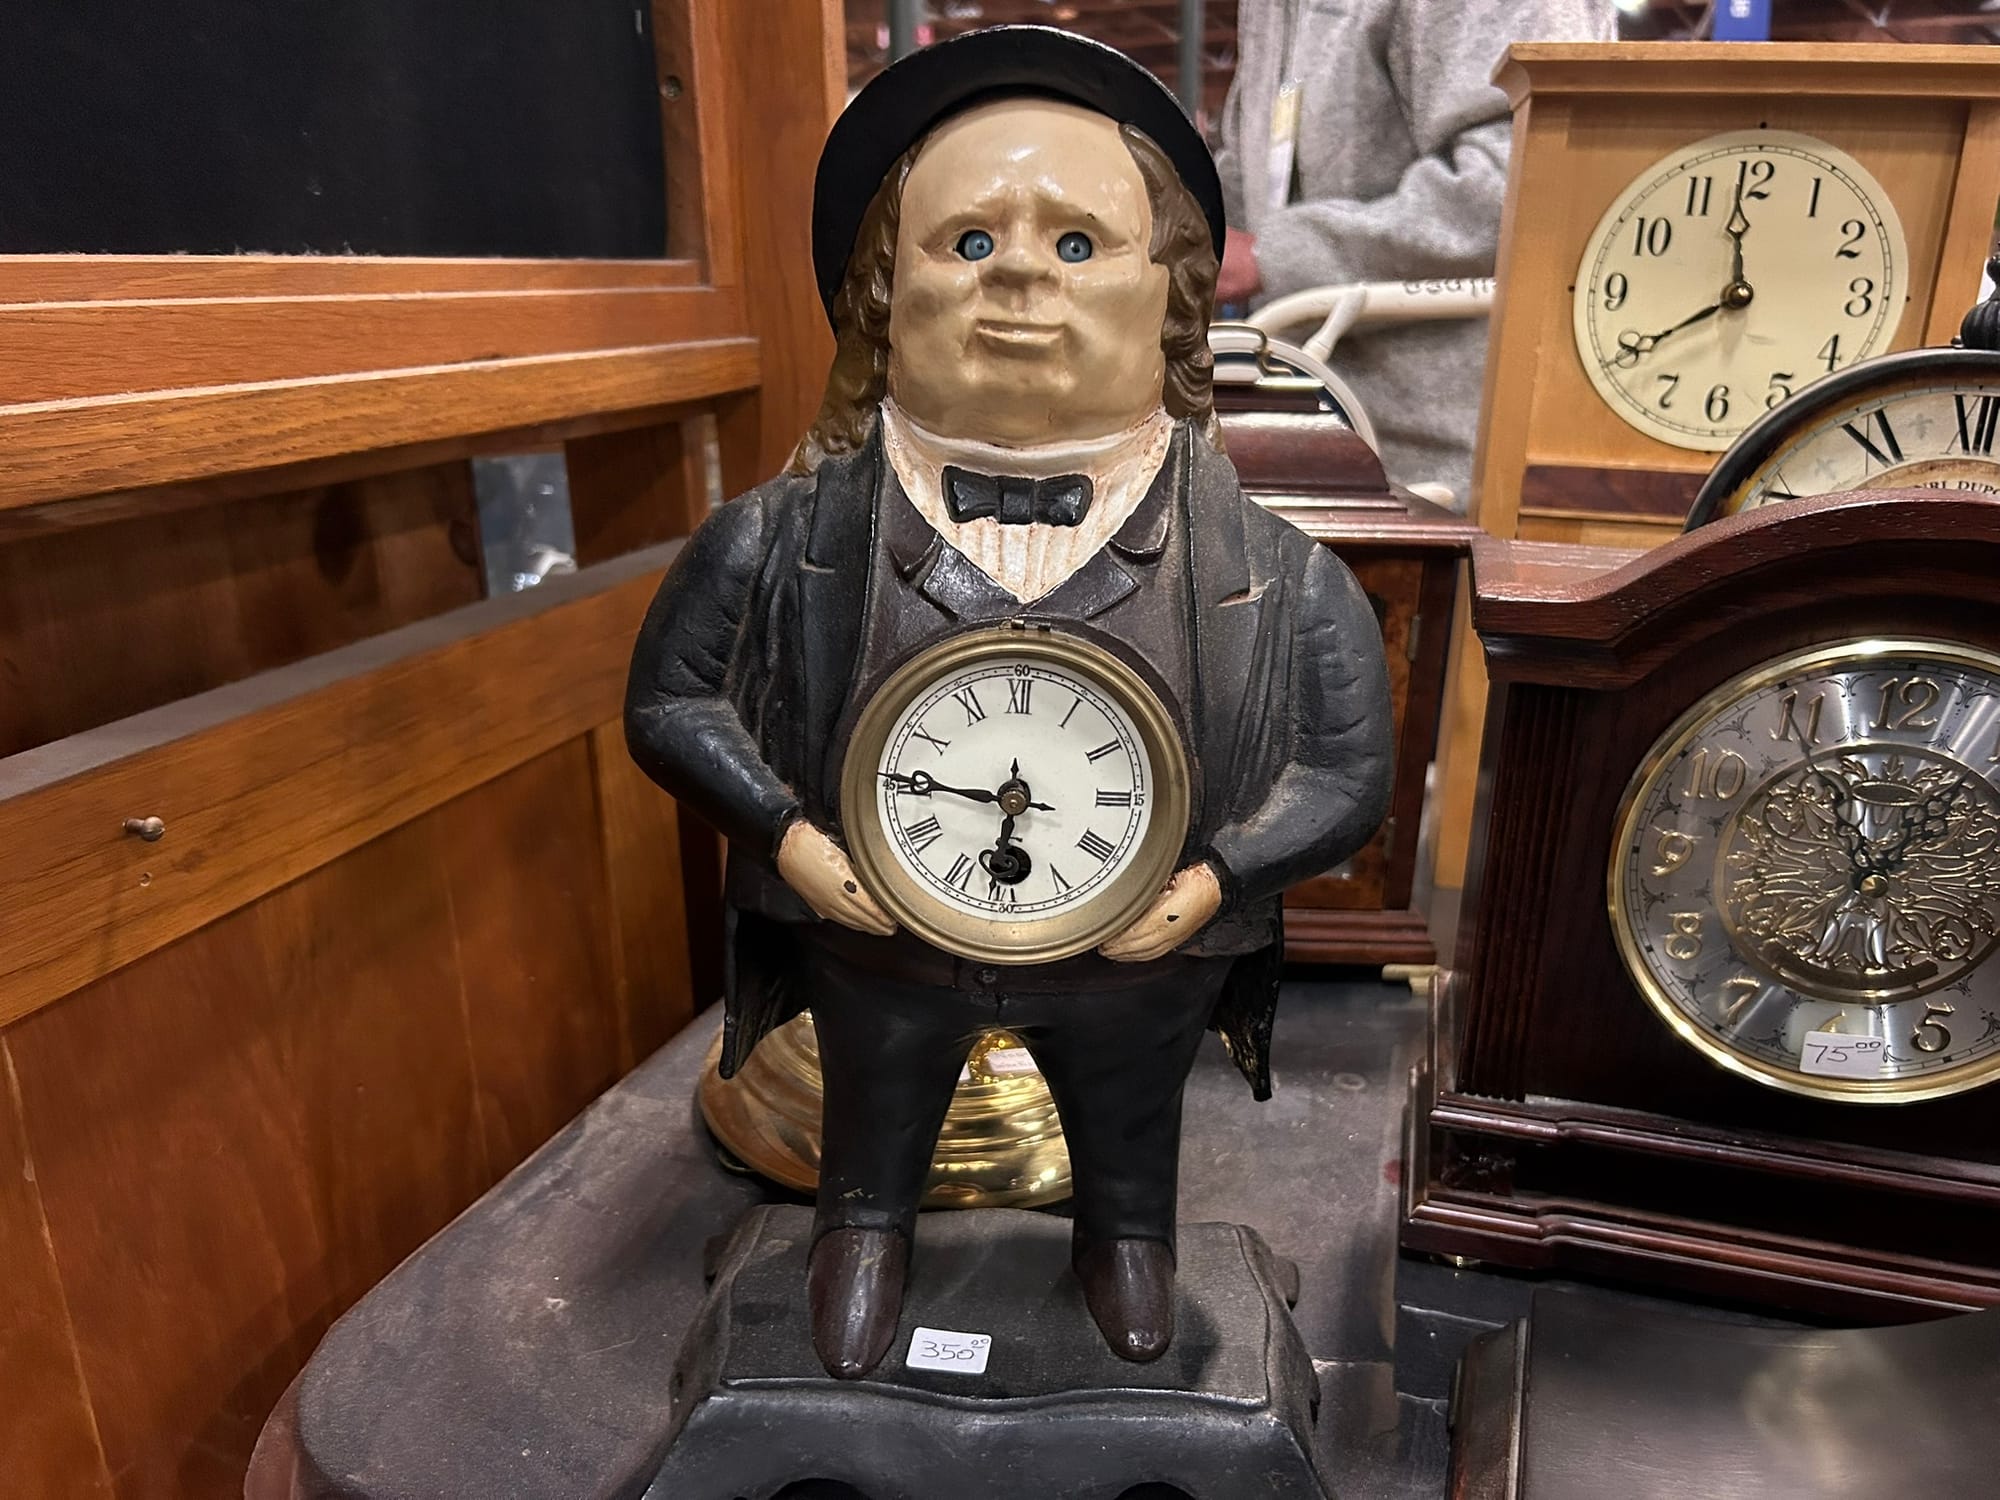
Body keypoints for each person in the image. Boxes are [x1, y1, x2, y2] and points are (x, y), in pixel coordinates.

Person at [625, 26, 1391, 1382]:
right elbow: (674, 703)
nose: (1023, 271)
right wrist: (796, 842)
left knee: (1129, 1113)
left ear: (1172, 294)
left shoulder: (1276, 580)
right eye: (967, 241)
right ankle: (863, 1234)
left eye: (1080, 243)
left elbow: (1345, 772)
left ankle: (1126, 1239)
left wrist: (1217, 881)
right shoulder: (774, 546)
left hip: (1142, 959)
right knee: (878, 1110)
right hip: (878, 948)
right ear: (881, 294)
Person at [1214, 0, 1615, 505]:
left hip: (1455, 475)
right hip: (1317, 440)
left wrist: (1276, 255)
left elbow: (1530, 180)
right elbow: (1252, 165)